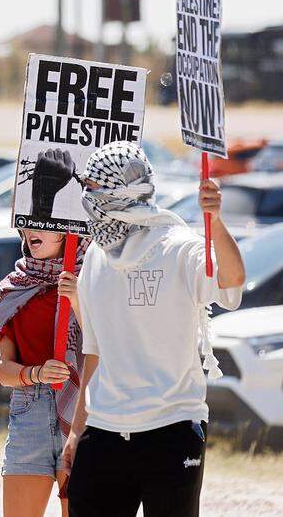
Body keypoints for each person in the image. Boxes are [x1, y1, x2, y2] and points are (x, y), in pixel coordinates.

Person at [61, 142, 245, 517]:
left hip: (171, 430)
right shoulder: (96, 256)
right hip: (104, 431)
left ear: (118, 191)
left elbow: (231, 285)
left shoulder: (178, 247)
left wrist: (217, 220)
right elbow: (94, 353)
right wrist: (77, 431)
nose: (86, 197)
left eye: (93, 187)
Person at [0, 230, 84, 517]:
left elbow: (106, 344)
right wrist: (37, 373)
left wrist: (79, 298)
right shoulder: (13, 289)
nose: (32, 231)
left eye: (44, 223)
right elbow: (2, 371)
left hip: (82, 410)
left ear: (68, 231)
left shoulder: (94, 280)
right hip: (29, 410)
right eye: (27, 223)